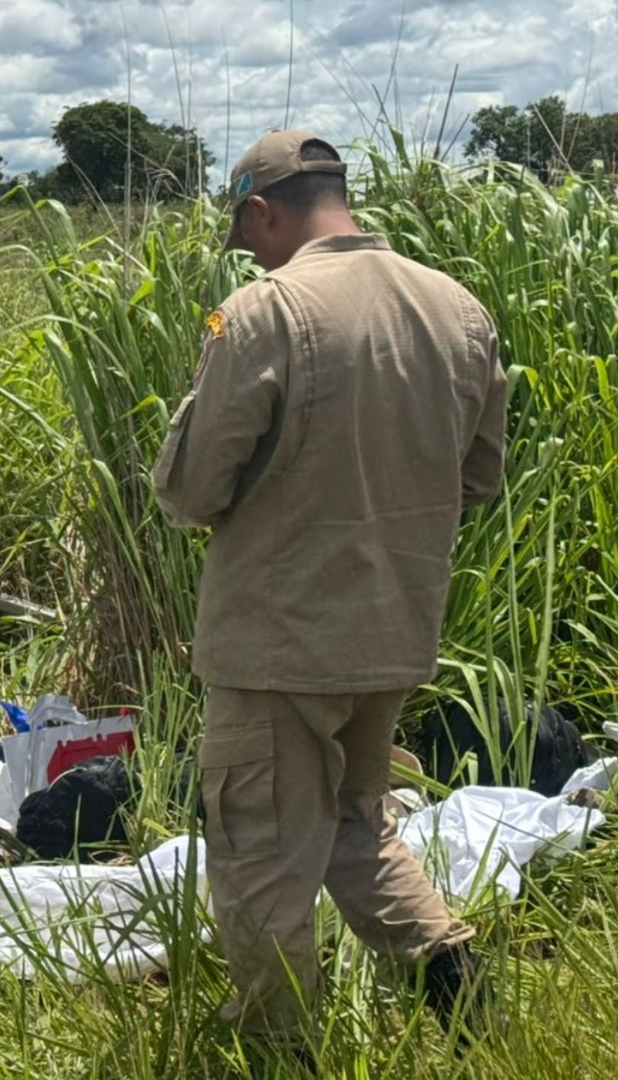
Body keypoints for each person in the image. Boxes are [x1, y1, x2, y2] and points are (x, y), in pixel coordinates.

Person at [151, 130, 508, 1048]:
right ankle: (450, 972)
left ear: (265, 212)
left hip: (279, 645)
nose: (253, 253)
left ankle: (282, 1047)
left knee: (261, 855)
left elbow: (191, 491)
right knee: (357, 823)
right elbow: (479, 478)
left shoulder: (263, 313)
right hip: (391, 635)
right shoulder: (460, 312)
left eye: (250, 235)